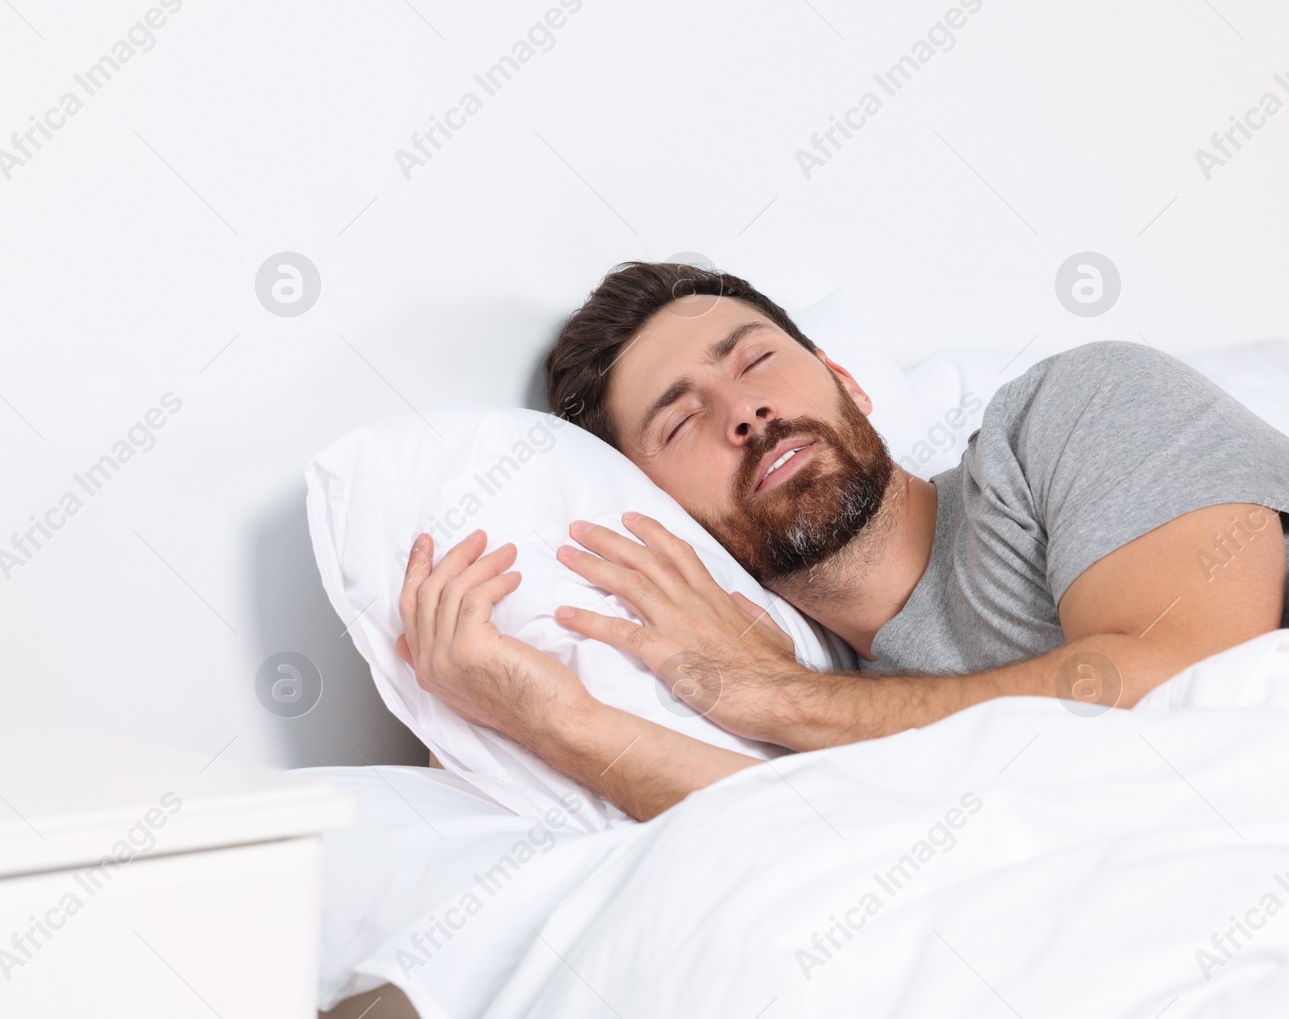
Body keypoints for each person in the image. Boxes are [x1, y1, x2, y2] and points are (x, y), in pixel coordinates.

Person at [394, 262, 1289, 821]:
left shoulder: (1073, 410)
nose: (742, 410)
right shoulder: (834, 718)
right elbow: (797, 841)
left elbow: (1187, 687)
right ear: (657, 505)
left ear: (849, 384)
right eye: (679, 422)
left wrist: (779, 696)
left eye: (755, 361)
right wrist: (554, 719)